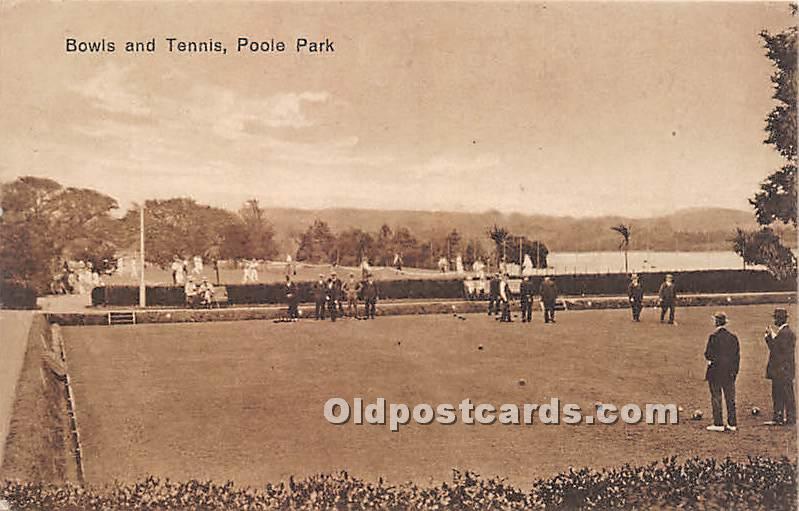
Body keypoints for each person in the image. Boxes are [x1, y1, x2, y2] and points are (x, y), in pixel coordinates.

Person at [704, 312, 739, 432]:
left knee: (716, 397)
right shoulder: (733, 337)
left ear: (717, 322)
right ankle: (732, 423)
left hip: (715, 372)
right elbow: (736, 357)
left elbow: (708, 354)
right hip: (729, 372)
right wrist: (734, 372)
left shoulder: (713, 337)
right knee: (730, 398)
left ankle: (718, 423)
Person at [763, 307, 796, 426]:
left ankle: (780, 418)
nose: (774, 321)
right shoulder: (786, 332)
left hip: (781, 370)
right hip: (785, 370)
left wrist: (768, 339)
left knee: (780, 394)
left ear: (780, 319)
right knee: (786, 394)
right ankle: (786, 418)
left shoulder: (784, 333)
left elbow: (776, 351)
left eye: (776, 318)